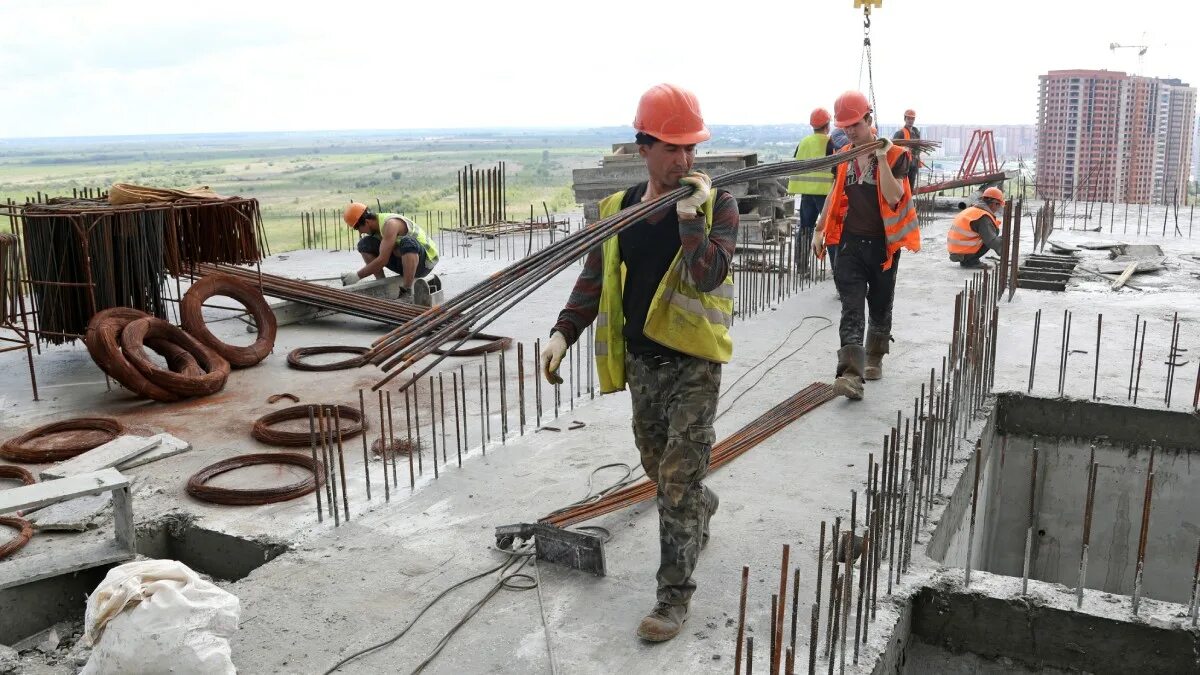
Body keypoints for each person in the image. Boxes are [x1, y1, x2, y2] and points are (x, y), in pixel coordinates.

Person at [540, 83, 738, 643]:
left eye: (691, 148)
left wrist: (691, 222)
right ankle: (701, 504)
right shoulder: (618, 211)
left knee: (674, 482)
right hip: (645, 367)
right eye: (672, 148)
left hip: (695, 364)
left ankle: (672, 599)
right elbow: (593, 278)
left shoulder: (717, 203)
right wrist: (562, 331)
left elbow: (709, 274)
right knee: (660, 470)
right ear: (642, 147)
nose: (685, 160)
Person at [813, 91, 919, 399]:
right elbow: (835, 194)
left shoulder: (898, 155)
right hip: (851, 244)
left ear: (869, 120)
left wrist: (882, 157)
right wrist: (820, 228)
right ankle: (849, 374)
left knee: (881, 303)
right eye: (845, 126)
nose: (850, 132)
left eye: (855, 125)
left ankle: (874, 356)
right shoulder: (844, 155)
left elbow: (893, 195)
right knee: (852, 306)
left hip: (883, 247)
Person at [340, 204, 439, 298]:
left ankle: (406, 290)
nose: (360, 232)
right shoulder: (376, 230)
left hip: (424, 263)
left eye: (358, 228)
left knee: (407, 243)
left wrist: (357, 276)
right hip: (404, 261)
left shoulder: (390, 224)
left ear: (367, 222)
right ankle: (381, 283)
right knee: (364, 244)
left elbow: (383, 260)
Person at [787, 108, 834, 273]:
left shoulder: (804, 142)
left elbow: (796, 161)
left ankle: (801, 267)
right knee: (830, 228)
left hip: (807, 192)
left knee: (806, 228)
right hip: (825, 193)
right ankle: (837, 267)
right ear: (827, 125)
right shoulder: (830, 142)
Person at [948, 187, 1005, 267]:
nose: (998, 208)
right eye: (998, 205)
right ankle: (971, 262)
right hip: (962, 253)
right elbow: (992, 242)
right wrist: (1004, 240)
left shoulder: (973, 210)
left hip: (956, 252)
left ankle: (968, 260)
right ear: (994, 203)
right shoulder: (983, 216)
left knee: (991, 232)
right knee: (993, 234)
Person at [893, 109, 921, 189]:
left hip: (913, 164)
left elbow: (918, 149)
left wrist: (918, 161)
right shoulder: (900, 133)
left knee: (910, 187)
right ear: (905, 119)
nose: (910, 121)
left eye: (912, 119)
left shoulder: (916, 133)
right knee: (903, 187)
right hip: (904, 165)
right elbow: (893, 148)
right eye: (908, 118)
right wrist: (904, 149)